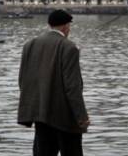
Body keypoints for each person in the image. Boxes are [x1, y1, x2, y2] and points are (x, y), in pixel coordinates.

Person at [18, 9, 89, 156]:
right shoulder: (69, 47)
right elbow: (72, 87)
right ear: (65, 27)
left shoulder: (29, 45)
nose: (69, 29)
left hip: (41, 114)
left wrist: (34, 107)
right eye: (69, 26)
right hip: (65, 118)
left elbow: (23, 80)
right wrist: (82, 117)